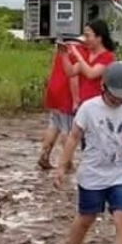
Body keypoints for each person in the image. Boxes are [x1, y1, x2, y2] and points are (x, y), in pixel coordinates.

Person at [53, 61, 122, 244]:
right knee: (87, 218)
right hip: (93, 174)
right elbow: (73, 137)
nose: (119, 100)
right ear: (104, 87)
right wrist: (62, 166)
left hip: (121, 174)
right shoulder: (89, 108)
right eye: (115, 96)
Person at [38, 36, 82, 170]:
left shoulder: (61, 49)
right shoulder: (76, 50)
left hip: (54, 88)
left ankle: (44, 156)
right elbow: (73, 77)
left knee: (54, 125)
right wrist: (76, 99)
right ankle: (67, 162)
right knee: (67, 129)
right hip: (65, 92)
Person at [67, 18, 117, 106]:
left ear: (99, 38)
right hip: (84, 103)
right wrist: (64, 54)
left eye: (88, 36)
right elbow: (70, 72)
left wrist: (77, 55)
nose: (85, 39)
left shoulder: (108, 57)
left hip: (99, 104)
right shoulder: (87, 54)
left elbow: (91, 74)